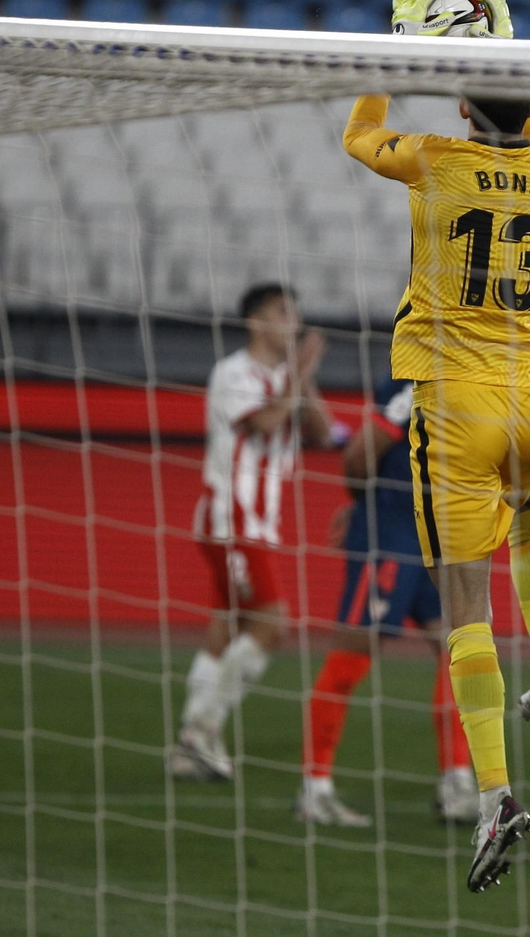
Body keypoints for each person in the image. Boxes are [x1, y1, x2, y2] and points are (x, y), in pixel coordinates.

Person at [343, 0, 530, 893]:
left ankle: (493, 795)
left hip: (456, 399)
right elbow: (527, 129)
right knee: (525, 511)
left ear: (458, 104)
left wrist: (386, 63)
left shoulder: (436, 160)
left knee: (463, 605)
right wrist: (501, 49)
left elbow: (359, 136)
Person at [296, 380, 476, 828]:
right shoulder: (414, 381)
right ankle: (315, 789)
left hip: (434, 536)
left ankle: (456, 784)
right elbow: (358, 457)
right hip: (391, 537)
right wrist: (370, 510)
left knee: (458, 651)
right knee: (353, 654)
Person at [174, 283, 333, 781]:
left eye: (296, 314)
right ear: (256, 321)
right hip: (231, 518)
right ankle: (202, 729)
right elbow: (264, 422)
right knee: (270, 625)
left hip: (258, 523)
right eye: (283, 312)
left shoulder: (288, 377)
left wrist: (303, 377)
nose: (293, 323)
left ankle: (187, 750)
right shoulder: (233, 372)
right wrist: (299, 374)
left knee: (226, 629)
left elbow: (322, 433)